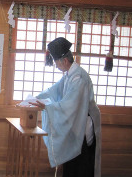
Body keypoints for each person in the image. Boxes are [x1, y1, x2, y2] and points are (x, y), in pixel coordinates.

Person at [29, 37, 101, 177]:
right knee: (71, 160)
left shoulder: (79, 77)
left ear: (65, 61)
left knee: (81, 164)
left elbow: (70, 105)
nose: (56, 66)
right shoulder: (69, 75)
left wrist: (47, 106)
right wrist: (36, 98)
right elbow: (53, 90)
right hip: (75, 122)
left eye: (56, 62)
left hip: (83, 124)